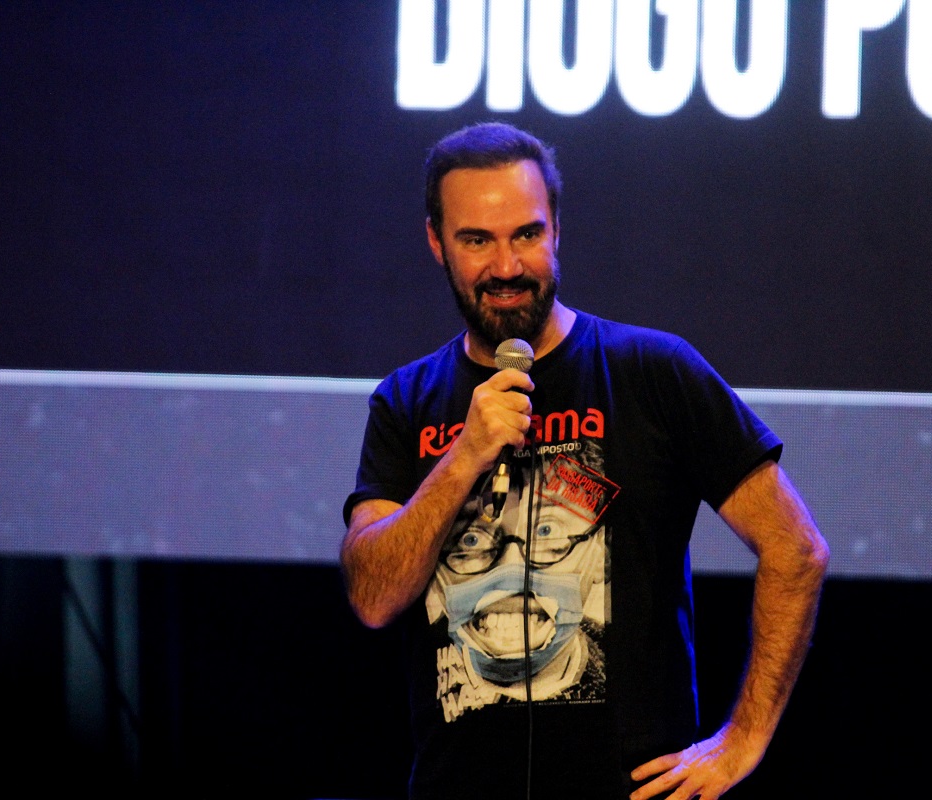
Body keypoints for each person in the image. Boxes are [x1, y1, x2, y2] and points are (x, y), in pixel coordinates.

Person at [340, 121, 829, 800]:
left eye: (526, 235)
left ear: (557, 231)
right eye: (477, 240)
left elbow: (795, 549)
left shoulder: (652, 371)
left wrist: (742, 739)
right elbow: (372, 598)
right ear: (436, 242)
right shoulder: (405, 401)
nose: (506, 267)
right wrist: (463, 457)